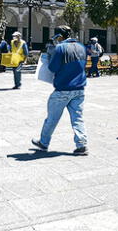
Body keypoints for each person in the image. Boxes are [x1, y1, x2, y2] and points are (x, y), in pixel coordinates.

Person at [31, 26, 89, 155]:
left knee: (52, 118)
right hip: (79, 89)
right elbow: (82, 65)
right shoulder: (81, 47)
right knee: (77, 118)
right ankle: (82, 145)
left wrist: (50, 53)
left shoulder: (60, 48)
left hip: (63, 89)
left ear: (59, 36)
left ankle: (43, 143)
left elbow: (53, 68)